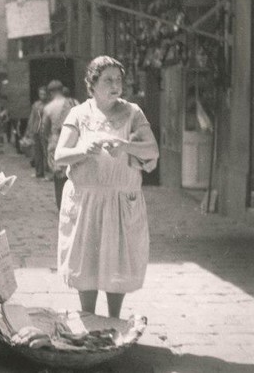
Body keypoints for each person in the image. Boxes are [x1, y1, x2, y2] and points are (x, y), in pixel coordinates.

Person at [54, 56, 159, 318]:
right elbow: (59, 156)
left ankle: (114, 319)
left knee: (118, 260)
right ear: (92, 84)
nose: (115, 85)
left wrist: (125, 146)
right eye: (108, 79)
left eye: (119, 79)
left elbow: (152, 149)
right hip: (86, 200)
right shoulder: (78, 114)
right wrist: (83, 150)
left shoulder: (133, 112)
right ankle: (88, 317)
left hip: (120, 199)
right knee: (85, 260)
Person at [41, 80, 74, 209]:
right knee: (73, 174)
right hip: (73, 141)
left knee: (59, 176)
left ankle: (61, 205)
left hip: (57, 142)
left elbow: (44, 129)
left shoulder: (48, 108)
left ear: (51, 92)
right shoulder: (74, 103)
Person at [25, 85, 49, 178]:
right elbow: (32, 118)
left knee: (46, 152)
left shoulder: (49, 105)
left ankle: (48, 173)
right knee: (37, 152)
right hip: (37, 131)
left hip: (46, 131)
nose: (42, 96)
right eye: (41, 94)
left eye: (44, 94)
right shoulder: (36, 105)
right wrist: (29, 130)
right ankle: (39, 172)